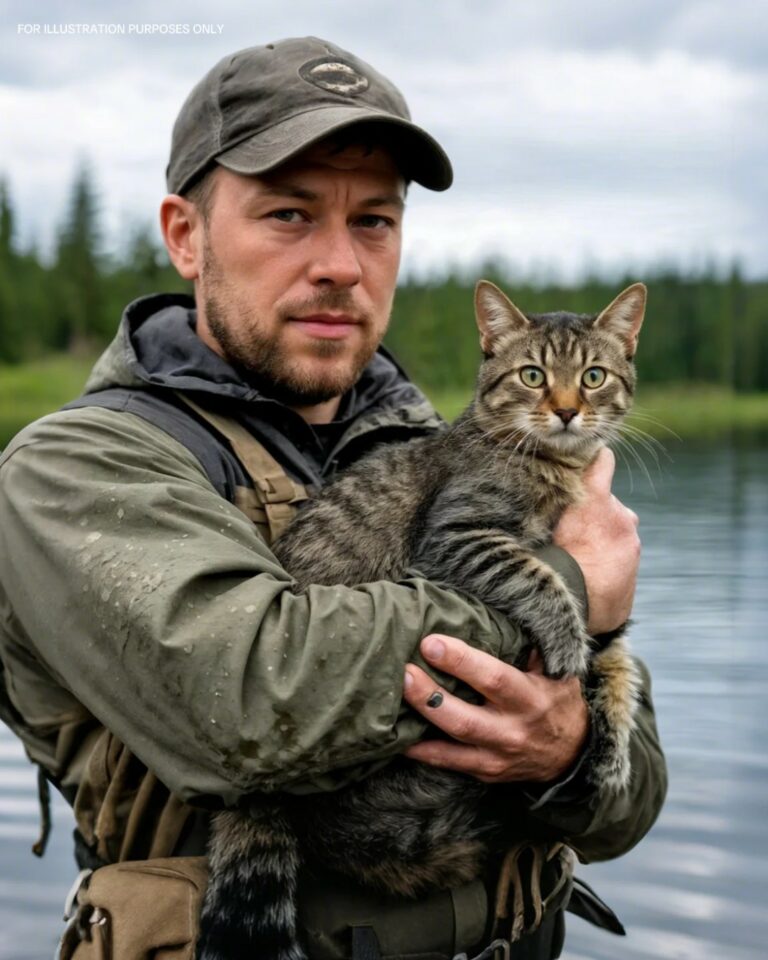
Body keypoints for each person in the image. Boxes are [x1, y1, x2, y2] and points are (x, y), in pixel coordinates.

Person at [0, 37, 666, 960]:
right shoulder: (76, 466)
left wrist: (567, 749)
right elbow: (254, 702)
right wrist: (564, 583)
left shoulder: (447, 447)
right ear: (187, 236)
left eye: (375, 223)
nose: (341, 265)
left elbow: (633, 799)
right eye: (288, 214)